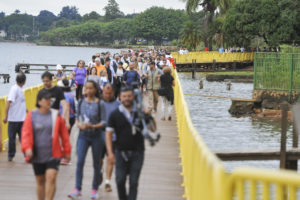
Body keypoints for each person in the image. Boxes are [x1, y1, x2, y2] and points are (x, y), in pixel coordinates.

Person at [21, 89, 71, 200]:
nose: (49, 102)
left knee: (51, 177)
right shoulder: (31, 115)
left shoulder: (56, 115)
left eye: (50, 100)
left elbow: (64, 136)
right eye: (46, 100)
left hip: (53, 154)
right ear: (39, 101)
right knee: (40, 181)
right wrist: (27, 148)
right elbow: (26, 133)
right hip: (37, 154)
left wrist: (67, 151)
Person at [68, 80, 106, 200]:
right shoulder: (80, 102)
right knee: (80, 162)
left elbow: (104, 122)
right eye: (87, 88)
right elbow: (77, 118)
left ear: (95, 90)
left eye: (91, 88)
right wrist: (79, 125)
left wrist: (93, 126)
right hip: (83, 135)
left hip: (97, 135)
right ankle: (77, 188)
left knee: (96, 164)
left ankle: (94, 189)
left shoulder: (100, 103)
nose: (88, 90)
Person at [106, 87, 145, 200]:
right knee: (120, 180)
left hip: (137, 151)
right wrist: (110, 153)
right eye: (124, 96)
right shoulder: (114, 114)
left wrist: (148, 117)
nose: (127, 99)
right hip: (120, 151)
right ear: (120, 97)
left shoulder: (139, 113)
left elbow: (152, 130)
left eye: (129, 96)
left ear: (133, 97)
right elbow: (108, 134)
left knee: (133, 182)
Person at [3, 72, 27, 161]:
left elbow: (21, 103)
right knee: (12, 139)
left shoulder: (20, 90)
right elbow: (8, 102)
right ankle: (11, 155)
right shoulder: (14, 89)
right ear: (24, 81)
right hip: (13, 119)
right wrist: (6, 116)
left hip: (21, 119)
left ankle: (26, 155)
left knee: (23, 139)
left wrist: (27, 111)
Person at [101, 84, 121, 192]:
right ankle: (100, 172)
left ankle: (107, 181)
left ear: (113, 92)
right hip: (100, 136)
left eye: (109, 93)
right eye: (105, 93)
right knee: (100, 160)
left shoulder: (118, 105)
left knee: (111, 159)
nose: (107, 95)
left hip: (113, 137)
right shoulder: (99, 103)